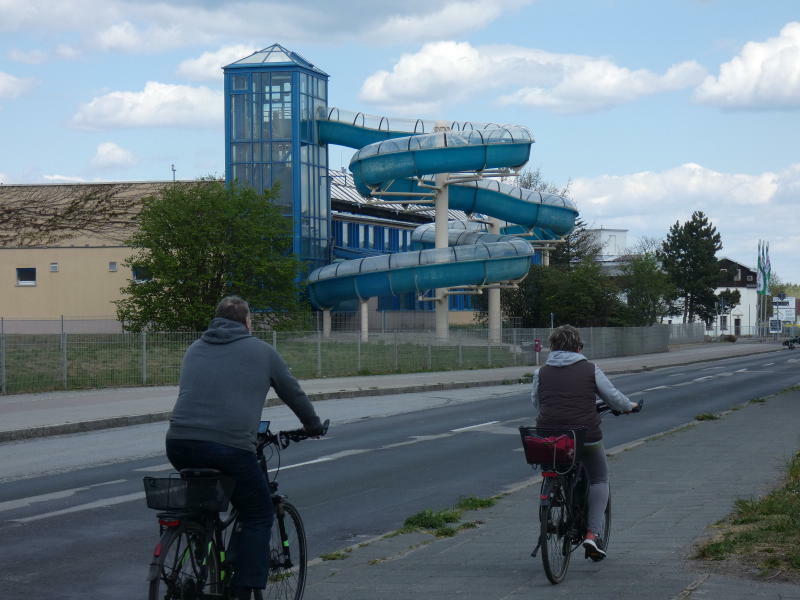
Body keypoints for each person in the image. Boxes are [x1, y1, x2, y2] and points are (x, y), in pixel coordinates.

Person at [166, 295, 324, 600]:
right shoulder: (262, 352)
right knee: (259, 512)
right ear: (247, 321)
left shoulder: (194, 349)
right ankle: (241, 590)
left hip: (179, 443)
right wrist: (312, 426)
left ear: (216, 320)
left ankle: (200, 546)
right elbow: (294, 393)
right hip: (230, 448)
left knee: (205, 506)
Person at [530, 325, 637, 561]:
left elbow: (537, 403)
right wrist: (629, 406)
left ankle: (554, 495)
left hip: (549, 436)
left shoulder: (541, 372)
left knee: (553, 462)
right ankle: (591, 534)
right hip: (584, 436)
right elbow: (612, 397)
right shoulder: (590, 369)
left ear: (553, 347)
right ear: (578, 347)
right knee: (599, 479)